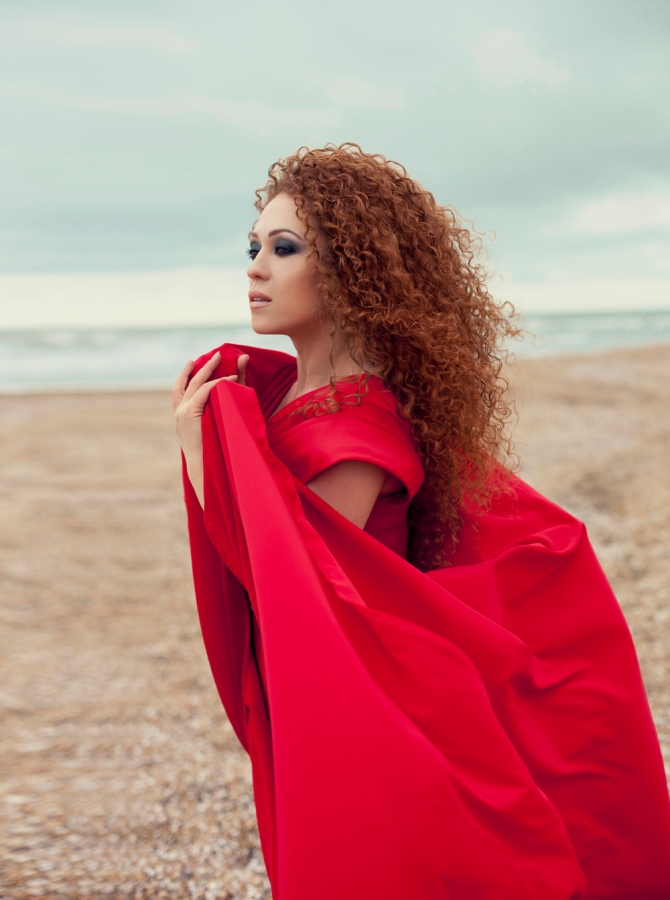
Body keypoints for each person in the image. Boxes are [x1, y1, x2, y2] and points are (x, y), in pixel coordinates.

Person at [173, 144, 670, 899]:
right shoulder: (300, 400)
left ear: (352, 269)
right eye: (253, 247)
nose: (256, 269)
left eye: (285, 248)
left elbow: (293, 596)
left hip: (363, 701)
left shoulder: (349, 432)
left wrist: (199, 452)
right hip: (339, 684)